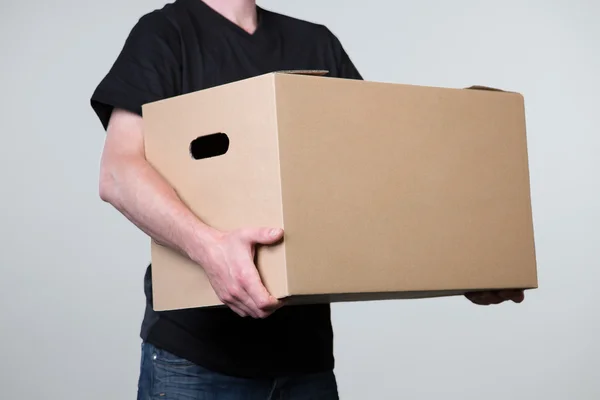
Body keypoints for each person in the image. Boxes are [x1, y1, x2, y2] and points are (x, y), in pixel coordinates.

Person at [90, 0, 525, 398]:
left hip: (306, 362)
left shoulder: (315, 43)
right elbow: (118, 172)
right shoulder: (167, 33)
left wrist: (463, 263)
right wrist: (210, 250)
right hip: (198, 359)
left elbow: (374, 179)